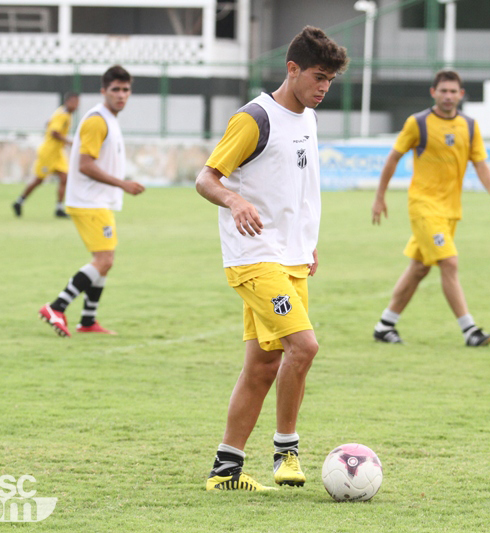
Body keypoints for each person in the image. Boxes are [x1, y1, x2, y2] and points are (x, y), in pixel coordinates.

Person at [195, 26, 348, 491]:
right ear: (292, 68)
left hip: (291, 257)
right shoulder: (254, 118)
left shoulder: (309, 119)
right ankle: (287, 451)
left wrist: (307, 241)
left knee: (262, 364)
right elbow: (206, 178)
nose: (324, 87)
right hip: (254, 258)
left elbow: (295, 190)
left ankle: (225, 471)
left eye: (331, 80)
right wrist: (234, 202)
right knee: (303, 347)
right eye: (319, 77)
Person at [371, 70, 490, 347]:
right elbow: (393, 158)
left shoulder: (469, 126)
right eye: (443, 90)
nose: (448, 96)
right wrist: (380, 196)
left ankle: (385, 325)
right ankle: (470, 331)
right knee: (449, 262)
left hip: (450, 210)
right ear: (433, 92)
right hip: (423, 206)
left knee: (419, 268)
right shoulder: (417, 123)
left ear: (461, 95)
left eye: (453, 91)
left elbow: (479, 162)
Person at [38, 65, 145, 337]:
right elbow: (85, 165)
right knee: (104, 259)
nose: (121, 95)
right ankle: (57, 307)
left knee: (104, 259)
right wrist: (123, 184)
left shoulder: (108, 118)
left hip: (97, 201)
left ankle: (87, 320)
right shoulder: (98, 120)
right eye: (115, 90)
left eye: (125, 90)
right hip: (89, 201)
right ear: (103, 91)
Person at [13, 92, 80, 217]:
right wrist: (69, 142)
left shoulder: (63, 112)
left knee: (65, 178)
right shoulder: (63, 115)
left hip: (57, 153)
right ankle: (19, 202)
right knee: (39, 180)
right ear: (68, 102)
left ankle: (59, 208)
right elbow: (54, 132)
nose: (77, 105)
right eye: (74, 102)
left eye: (78, 103)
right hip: (48, 153)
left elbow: (48, 123)